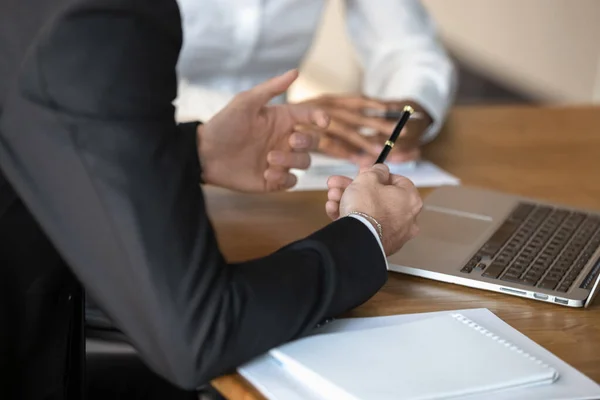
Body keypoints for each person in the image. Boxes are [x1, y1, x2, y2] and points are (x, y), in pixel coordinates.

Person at [0, 0, 422, 399]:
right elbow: (197, 334)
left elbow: (35, 129)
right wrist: (368, 232)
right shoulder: (104, 17)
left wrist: (192, 150)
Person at [175, 0, 457, 164]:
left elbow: (407, 47)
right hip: (161, 147)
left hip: (289, 159)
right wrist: (271, 119)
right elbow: (132, 79)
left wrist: (406, 107)